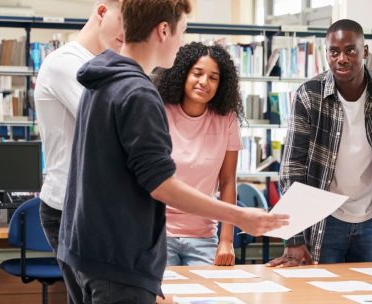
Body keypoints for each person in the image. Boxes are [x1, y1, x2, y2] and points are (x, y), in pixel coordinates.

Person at [57, 1, 288, 302]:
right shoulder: (138, 93)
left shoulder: (101, 79)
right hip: (119, 261)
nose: (181, 42)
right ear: (164, 30)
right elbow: (161, 184)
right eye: (183, 31)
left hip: (85, 252)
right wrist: (240, 216)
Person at [268, 19, 372, 268]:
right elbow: (292, 168)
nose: (342, 58)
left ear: (365, 52)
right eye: (334, 51)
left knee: (370, 293)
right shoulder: (310, 95)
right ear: (327, 54)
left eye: (350, 50)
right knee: (320, 292)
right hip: (324, 220)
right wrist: (294, 237)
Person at [33, 0, 123, 301]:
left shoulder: (108, 63)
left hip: (94, 206)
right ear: (101, 12)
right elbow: (114, 125)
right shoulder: (67, 63)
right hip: (69, 206)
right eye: (125, 23)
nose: (129, 35)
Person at [153, 42, 243, 266]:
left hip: (203, 235)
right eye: (197, 73)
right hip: (158, 232)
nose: (204, 82)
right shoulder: (159, 110)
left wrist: (226, 241)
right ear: (183, 73)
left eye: (213, 77)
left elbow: (228, 182)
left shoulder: (227, 119)